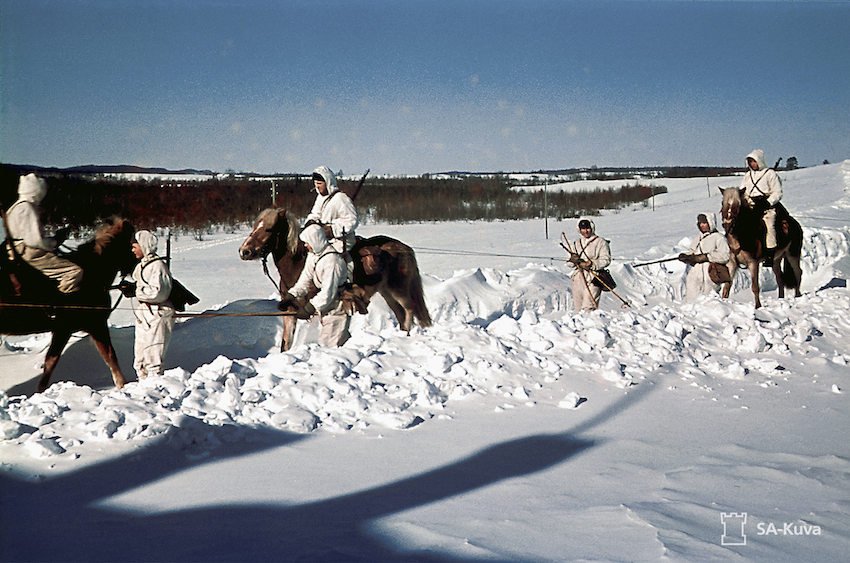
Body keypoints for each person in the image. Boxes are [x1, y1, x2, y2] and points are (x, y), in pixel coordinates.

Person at [4, 173, 82, 294]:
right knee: (73, 271)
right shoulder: (27, 208)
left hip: (16, 250)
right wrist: (55, 241)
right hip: (28, 252)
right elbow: (35, 240)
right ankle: (64, 304)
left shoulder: (15, 207)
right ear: (37, 191)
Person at [279, 224, 352, 347]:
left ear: (316, 240)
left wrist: (309, 308)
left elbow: (328, 293)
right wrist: (291, 295)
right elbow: (305, 278)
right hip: (326, 307)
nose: (306, 246)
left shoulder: (332, 262)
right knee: (329, 343)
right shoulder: (314, 255)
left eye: (307, 243)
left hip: (336, 306)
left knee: (330, 346)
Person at [119, 230, 175, 380]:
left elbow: (159, 293)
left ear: (144, 245)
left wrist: (136, 291)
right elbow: (141, 285)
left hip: (158, 313)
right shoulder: (142, 266)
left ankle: (155, 385)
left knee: (154, 354)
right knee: (141, 354)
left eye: (134, 246)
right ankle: (142, 384)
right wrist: (129, 287)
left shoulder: (158, 266)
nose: (132, 250)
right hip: (144, 313)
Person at [740, 149, 782, 266]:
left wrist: (768, 202)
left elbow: (777, 192)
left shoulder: (770, 174)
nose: (751, 164)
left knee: (769, 225)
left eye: (753, 161)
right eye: (749, 162)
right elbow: (743, 191)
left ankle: (770, 254)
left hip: (766, 206)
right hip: (751, 206)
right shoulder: (748, 176)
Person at [306, 165, 359, 257]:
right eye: (315, 183)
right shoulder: (320, 198)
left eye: (319, 183)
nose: (317, 186)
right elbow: (315, 214)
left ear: (328, 182)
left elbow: (352, 220)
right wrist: (311, 222)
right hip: (323, 240)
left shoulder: (341, 198)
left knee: (329, 260)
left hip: (341, 242)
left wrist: (331, 229)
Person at [678, 212, 731, 301]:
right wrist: (686, 257)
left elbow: (725, 255)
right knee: (692, 300)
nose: (702, 225)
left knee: (708, 301)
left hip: (710, 273)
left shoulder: (719, 237)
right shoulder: (697, 238)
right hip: (695, 274)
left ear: (711, 223)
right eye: (700, 223)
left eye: (704, 223)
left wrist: (706, 257)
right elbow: (692, 252)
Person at [566, 218, 611, 312]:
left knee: (589, 306)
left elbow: (606, 259)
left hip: (594, 277)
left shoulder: (601, 242)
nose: (585, 231)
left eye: (587, 228)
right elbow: (569, 263)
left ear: (592, 228)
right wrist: (573, 260)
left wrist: (592, 264)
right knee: (578, 307)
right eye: (583, 229)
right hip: (579, 277)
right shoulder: (576, 243)